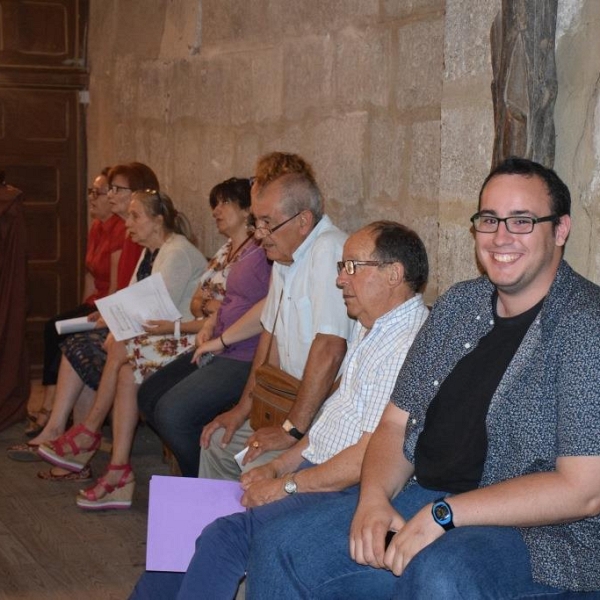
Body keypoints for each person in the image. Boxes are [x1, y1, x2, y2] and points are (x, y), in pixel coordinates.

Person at [243, 157, 600, 599]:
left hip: (537, 533)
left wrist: (445, 514)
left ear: (560, 230)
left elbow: (583, 491)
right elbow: (395, 423)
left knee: (439, 572)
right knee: (281, 543)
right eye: (489, 220)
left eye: (522, 221)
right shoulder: (459, 306)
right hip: (425, 493)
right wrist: (374, 498)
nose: (501, 237)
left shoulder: (585, 324)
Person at [129, 220, 430, 599]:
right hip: (319, 471)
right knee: (187, 529)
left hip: (349, 490)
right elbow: (329, 429)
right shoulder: (374, 330)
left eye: (351, 267)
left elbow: (369, 456)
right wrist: (278, 465)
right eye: (340, 268)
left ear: (394, 274)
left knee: (225, 536)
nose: (340, 281)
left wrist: (285, 485)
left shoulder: (407, 345)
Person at [69, 178, 270, 493]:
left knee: (161, 399)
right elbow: (197, 302)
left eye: (223, 203)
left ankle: (195, 485)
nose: (216, 211)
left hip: (225, 346)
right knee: (142, 390)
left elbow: (245, 309)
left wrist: (207, 312)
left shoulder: (258, 252)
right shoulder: (226, 250)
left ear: (247, 210)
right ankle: (114, 460)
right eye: (213, 205)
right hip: (206, 337)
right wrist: (210, 307)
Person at [36, 189, 207, 497]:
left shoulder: (177, 251)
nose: (128, 222)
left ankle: (88, 430)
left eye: (135, 215)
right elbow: (133, 300)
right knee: (95, 351)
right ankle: (106, 456)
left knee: (117, 346)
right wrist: (107, 316)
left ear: (157, 220)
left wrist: (116, 324)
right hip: (157, 334)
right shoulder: (151, 251)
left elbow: (156, 309)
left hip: (182, 337)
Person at [197, 170, 354, 481]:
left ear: (303, 221)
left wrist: (290, 430)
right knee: (217, 442)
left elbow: (330, 349)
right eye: (256, 222)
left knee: (256, 470)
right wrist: (243, 410)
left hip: (322, 413)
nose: (258, 233)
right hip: (286, 400)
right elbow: (268, 339)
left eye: (267, 223)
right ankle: (216, 527)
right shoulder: (284, 254)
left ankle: (247, 526)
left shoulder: (329, 249)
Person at [7, 162, 152, 465]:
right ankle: (63, 432)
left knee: (78, 342)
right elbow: (115, 287)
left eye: (116, 189)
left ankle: (73, 433)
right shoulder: (126, 233)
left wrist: (108, 316)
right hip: (119, 317)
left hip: (139, 327)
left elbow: (138, 296)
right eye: (107, 189)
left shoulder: (145, 239)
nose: (109, 195)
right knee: (72, 339)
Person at [24, 167, 126, 437]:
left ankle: (52, 412)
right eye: (91, 192)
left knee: (65, 333)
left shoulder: (120, 230)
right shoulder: (97, 226)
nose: (92, 197)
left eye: (99, 192)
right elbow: (90, 274)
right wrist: (82, 308)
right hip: (95, 303)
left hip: (107, 306)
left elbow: (116, 288)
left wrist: (91, 316)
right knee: (54, 326)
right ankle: (50, 404)